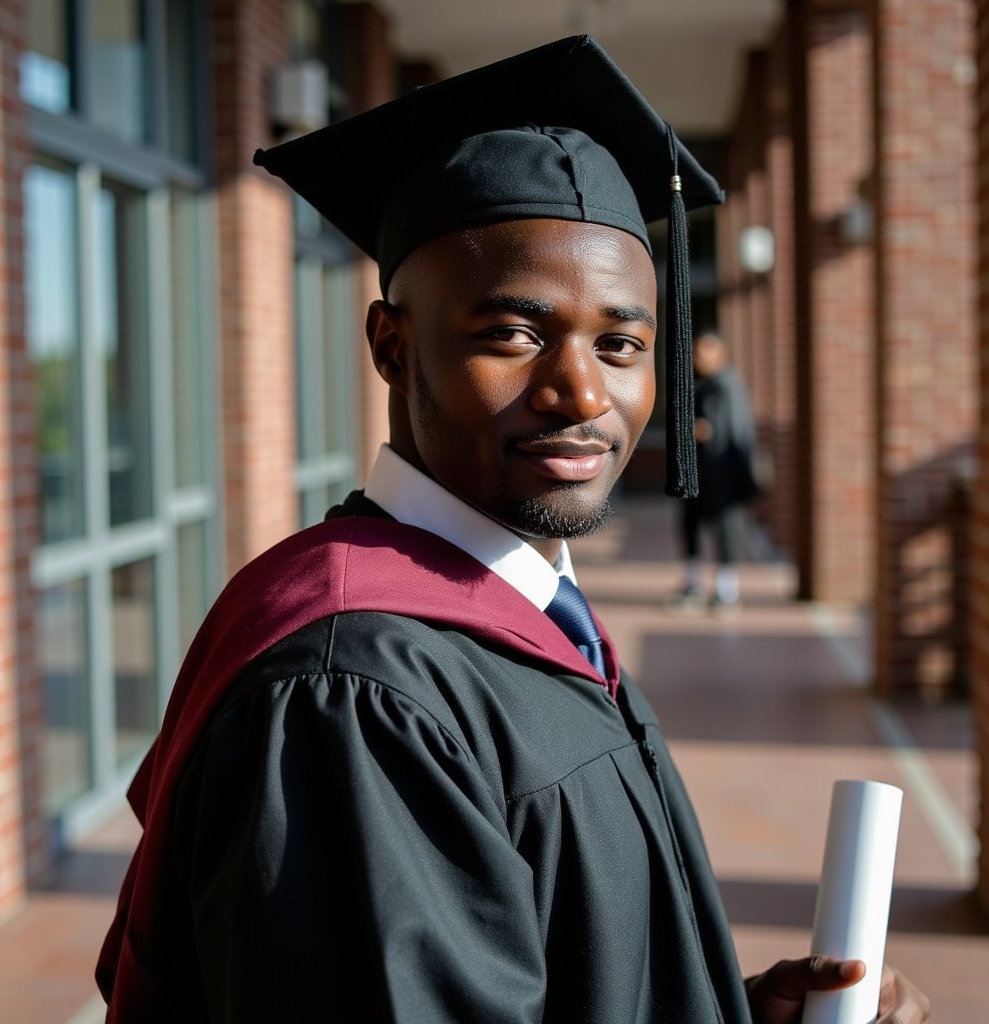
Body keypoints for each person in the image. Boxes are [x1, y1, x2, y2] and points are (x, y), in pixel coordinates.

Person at [96, 36, 929, 1023]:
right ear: (390, 346)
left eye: (619, 343)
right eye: (513, 333)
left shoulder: (527, 613)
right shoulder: (354, 694)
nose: (580, 391)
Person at [672, 331, 761, 609]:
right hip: (698, 471)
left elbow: (734, 430)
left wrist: (706, 431)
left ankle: (726, 590)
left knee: (724, 529)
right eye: (698, 353)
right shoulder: (699, 384)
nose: (701, 359)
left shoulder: (728, 385)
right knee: (690, 526)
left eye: (707, 353)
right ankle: (693, 583)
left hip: (721, 473)